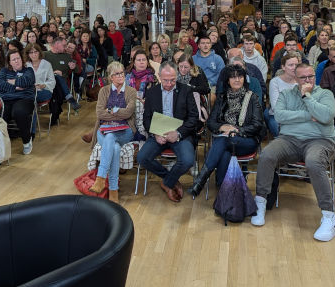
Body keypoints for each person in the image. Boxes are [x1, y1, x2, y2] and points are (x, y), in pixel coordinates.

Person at [251, 63, 335, 242]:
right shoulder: (286, 94)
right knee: (267, 155)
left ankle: (329, 217)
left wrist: (307, 96)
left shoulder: (325, 94)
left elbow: (326, 116)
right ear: (295, 79)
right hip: (289, 139)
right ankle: (260, 202)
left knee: (314, 162)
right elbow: (280, 116)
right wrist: (308, 115)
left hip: (320, 140)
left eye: (311, 76)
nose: (308, 80)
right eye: (304, 78)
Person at [190, 65, 265, 196]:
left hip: (246, 140)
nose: (237, 80)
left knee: (223, 141)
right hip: (226, 141)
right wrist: (222, 127)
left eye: (240, 76)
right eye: (233, 77)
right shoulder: (222, 98)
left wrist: (236, 130)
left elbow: (257, 124)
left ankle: (200, 181)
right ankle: (223, 189)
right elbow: (211, 122)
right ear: (228, 80)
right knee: (225, 151)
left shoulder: (252, 98)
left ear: (244, 79)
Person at [137, 62, 199, 202]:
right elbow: (146, 119)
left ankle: (167, 183)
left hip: (180, 135)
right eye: (165, 80)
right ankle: (170, 179)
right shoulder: (152, 92)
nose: (170, 83)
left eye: (173, 79)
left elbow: (194, 118)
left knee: (187, 160)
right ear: (159, 77)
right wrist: (155, 134)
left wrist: (178, 133)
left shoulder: (186, 91)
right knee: (142, 158)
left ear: (176, 76)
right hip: (158, 134)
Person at [87, 61, 138, 203]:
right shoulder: (104, 91)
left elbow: (128, 113)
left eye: (122, 73)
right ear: (111, 77)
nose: (121, 75)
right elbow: (100, 114)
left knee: (111, 139)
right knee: (113, 145)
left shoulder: (131, 91)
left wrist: (110, 110)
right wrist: (117, 113)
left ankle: (101, 178)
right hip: (104, 130)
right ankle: (113, 190)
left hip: (125, 131)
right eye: (117, 74)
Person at [0, 49, 36, 154]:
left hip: (24, 99)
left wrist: (11, 82)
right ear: (9, 62)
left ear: (22, 59)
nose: (17, 61)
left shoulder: (28, 70)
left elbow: (27, 81)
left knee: (19, 112)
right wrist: (16, 87)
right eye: (13, 59)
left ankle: (27, 141)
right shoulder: (4, 71)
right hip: (6, 99)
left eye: (18, 58)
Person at [266, 51, 301, 137]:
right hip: (278, 117)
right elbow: (275, 107)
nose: (294, 68)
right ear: (283, 67)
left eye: (296, 65)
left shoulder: (302, 81)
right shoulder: (275, 82)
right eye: (290, 65)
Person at [44, 37, 80, 113]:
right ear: (57, 44)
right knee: (56, 76)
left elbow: (78, 70)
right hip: (47, 83)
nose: (66, 47)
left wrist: (74, 66)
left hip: (61, 85)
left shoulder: (66, 56)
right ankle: (69, 98)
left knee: (58, 81)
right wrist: (53, 72)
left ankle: (55, 114)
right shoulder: (45, 55)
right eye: (64, 45)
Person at [26, 43, 57, 124]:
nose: (33, 54)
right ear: (28, 54)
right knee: (29, 99)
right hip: (30, 91)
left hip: (44, 90)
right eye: (31, 52)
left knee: (30, 99)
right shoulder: (26, 65)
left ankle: (32, 128)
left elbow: (52, 81)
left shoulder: (46, 64)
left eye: (35, 52)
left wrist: (44, 85)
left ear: (39, 52)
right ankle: (28, 124)